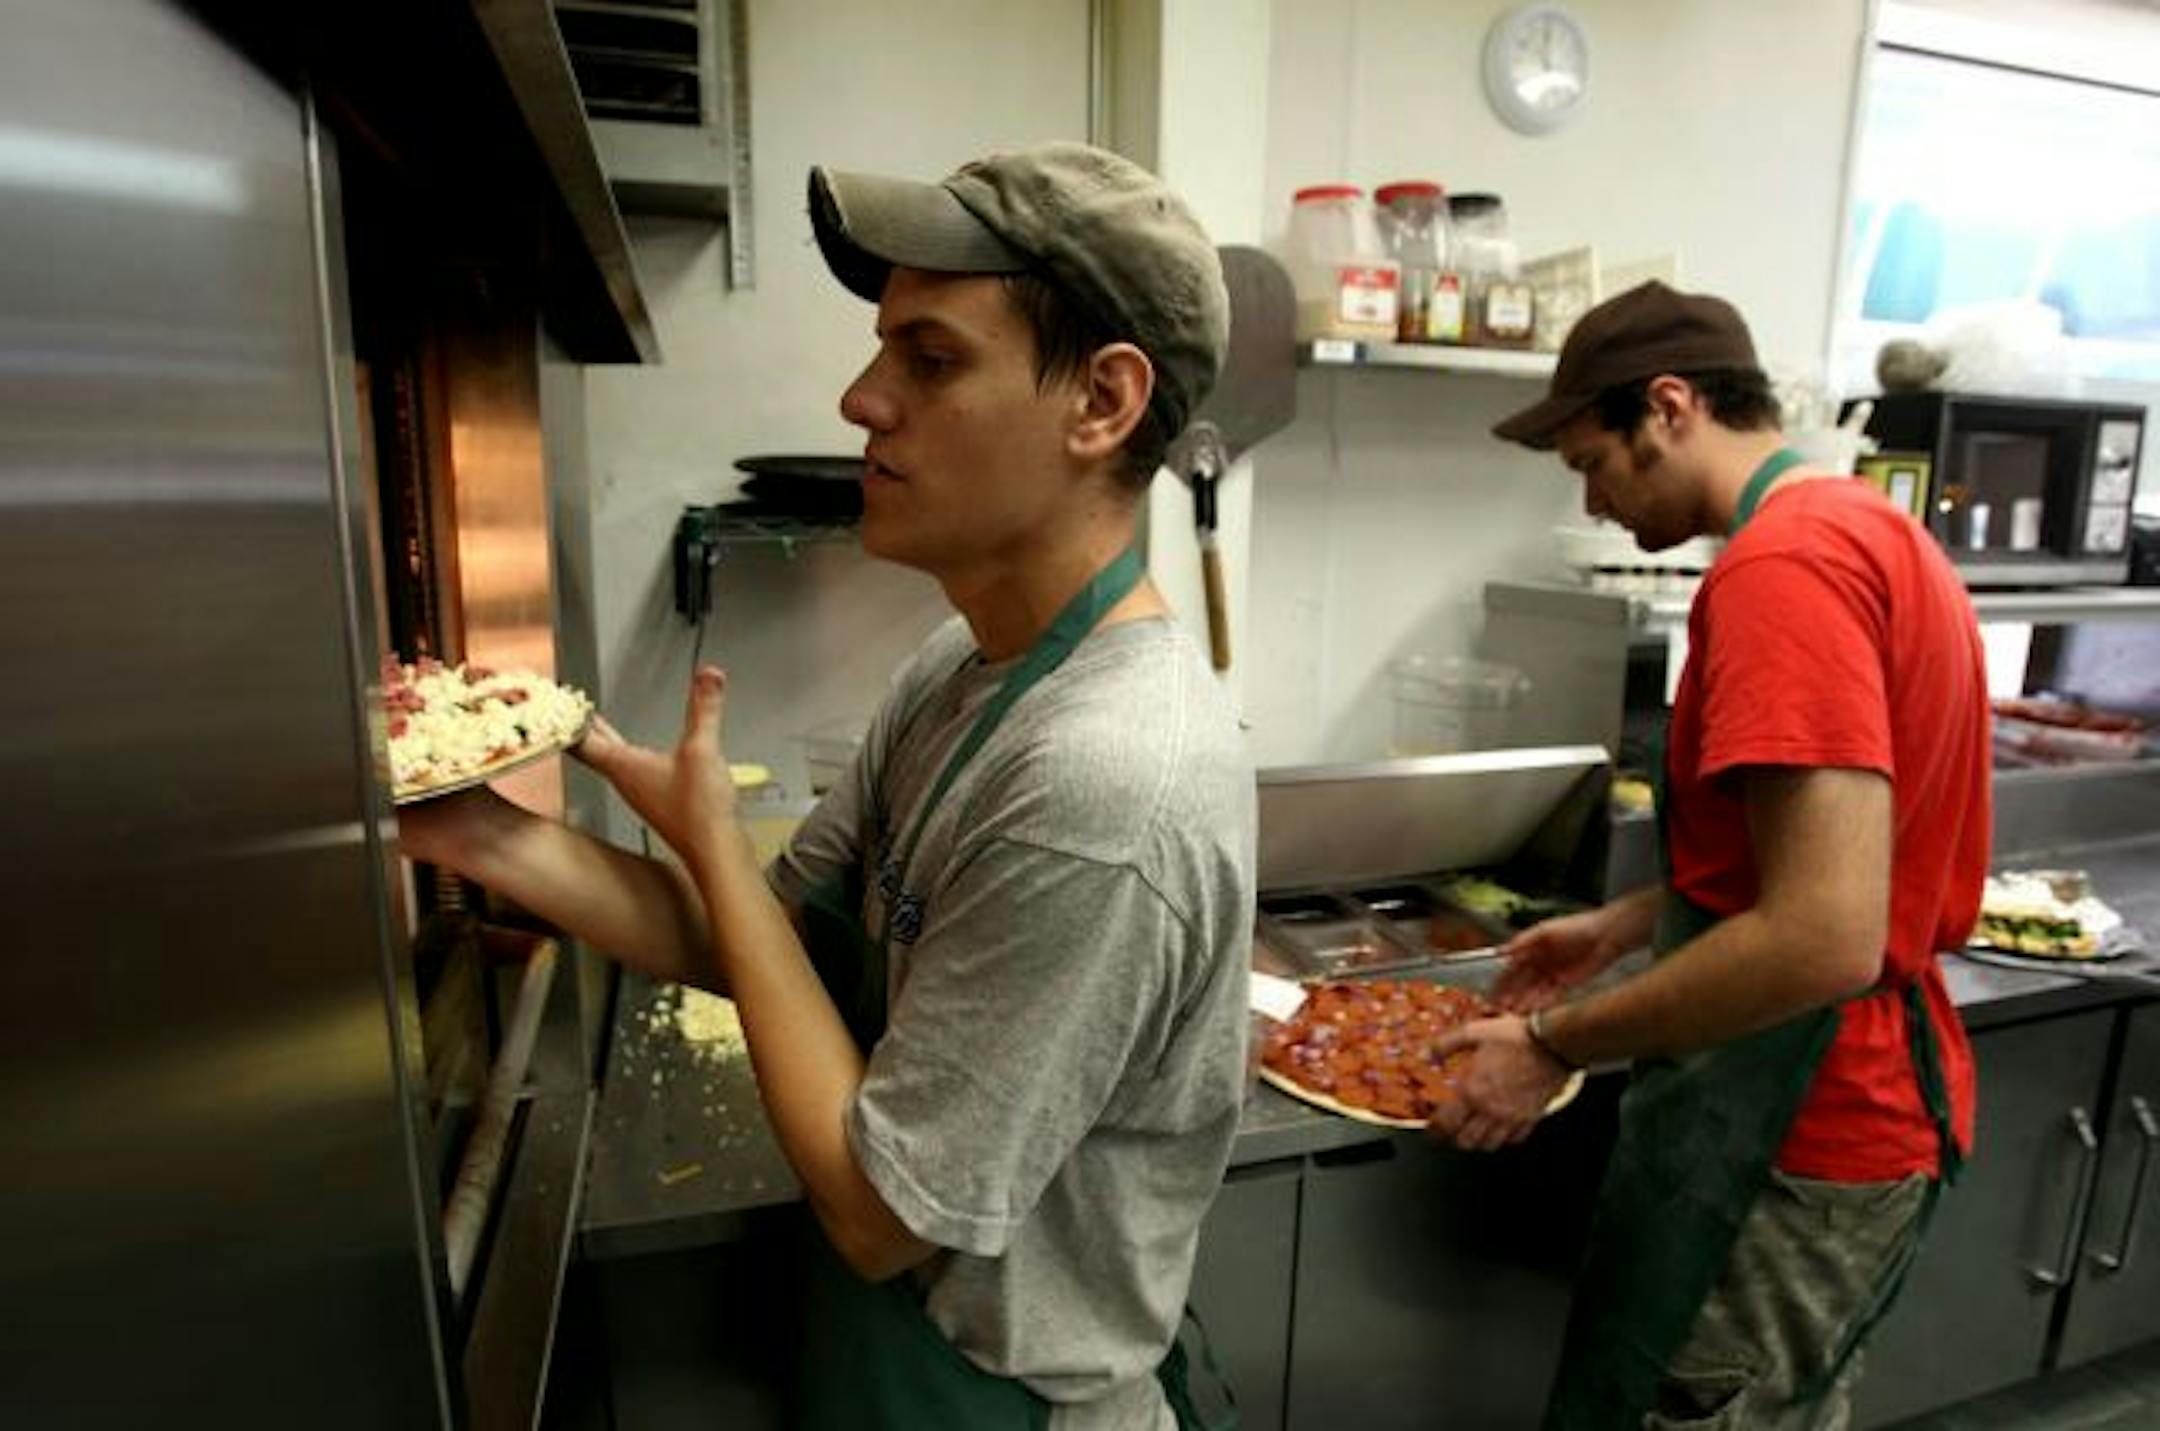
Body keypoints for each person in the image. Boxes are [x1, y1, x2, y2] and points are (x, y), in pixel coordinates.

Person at [399, 142, 1254, 1430]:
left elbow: (883, 1214)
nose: (862, 399)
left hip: (997, 1402)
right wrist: (477, 829)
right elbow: (773, 951)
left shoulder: (1105, 785)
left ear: (1102, 402)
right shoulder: (961, 664)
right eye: (881, 352)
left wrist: (712, 839)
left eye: (932, 359)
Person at [1428, 281, 1991, 1430]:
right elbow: (1834, 858)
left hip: (1799, 1122)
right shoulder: (1869, 527)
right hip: (1864, 1103)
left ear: (1671, 407)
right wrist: (1629, 923)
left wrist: (1549, 1043)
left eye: (1595, 463)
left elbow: (1824, 936)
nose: (1593, 500)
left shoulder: (1783, 571)